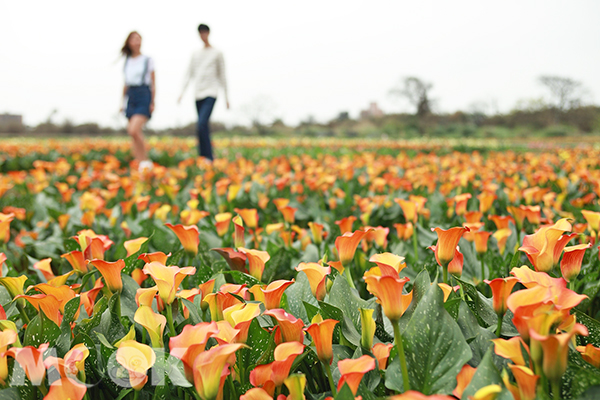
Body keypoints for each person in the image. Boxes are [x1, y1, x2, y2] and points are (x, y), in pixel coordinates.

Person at [179, 24, 229, 161]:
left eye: (205, 32)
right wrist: (182, 93)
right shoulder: (196, 54)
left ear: (208, 33)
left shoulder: (217, 53)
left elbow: (222, 75)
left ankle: (208, 157)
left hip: (211, 92)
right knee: (201, 126)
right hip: (198, 93)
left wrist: (226, 97)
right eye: (200, 33)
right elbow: (189, 73)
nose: (203, 35)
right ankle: (203, 157)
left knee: (201, 123)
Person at [120, 31, 155, 172]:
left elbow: (153, 82)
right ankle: (140, 163)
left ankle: (146, 161)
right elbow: (125, 84)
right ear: (129, 42)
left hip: (143, 94)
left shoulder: (147, 60)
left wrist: (152, 101)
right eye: (133, 39)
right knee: (133, 134)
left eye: (138, 39)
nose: (136, 42)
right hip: (131, 96)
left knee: (133, 130)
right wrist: (122, 102)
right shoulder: (127, 61)